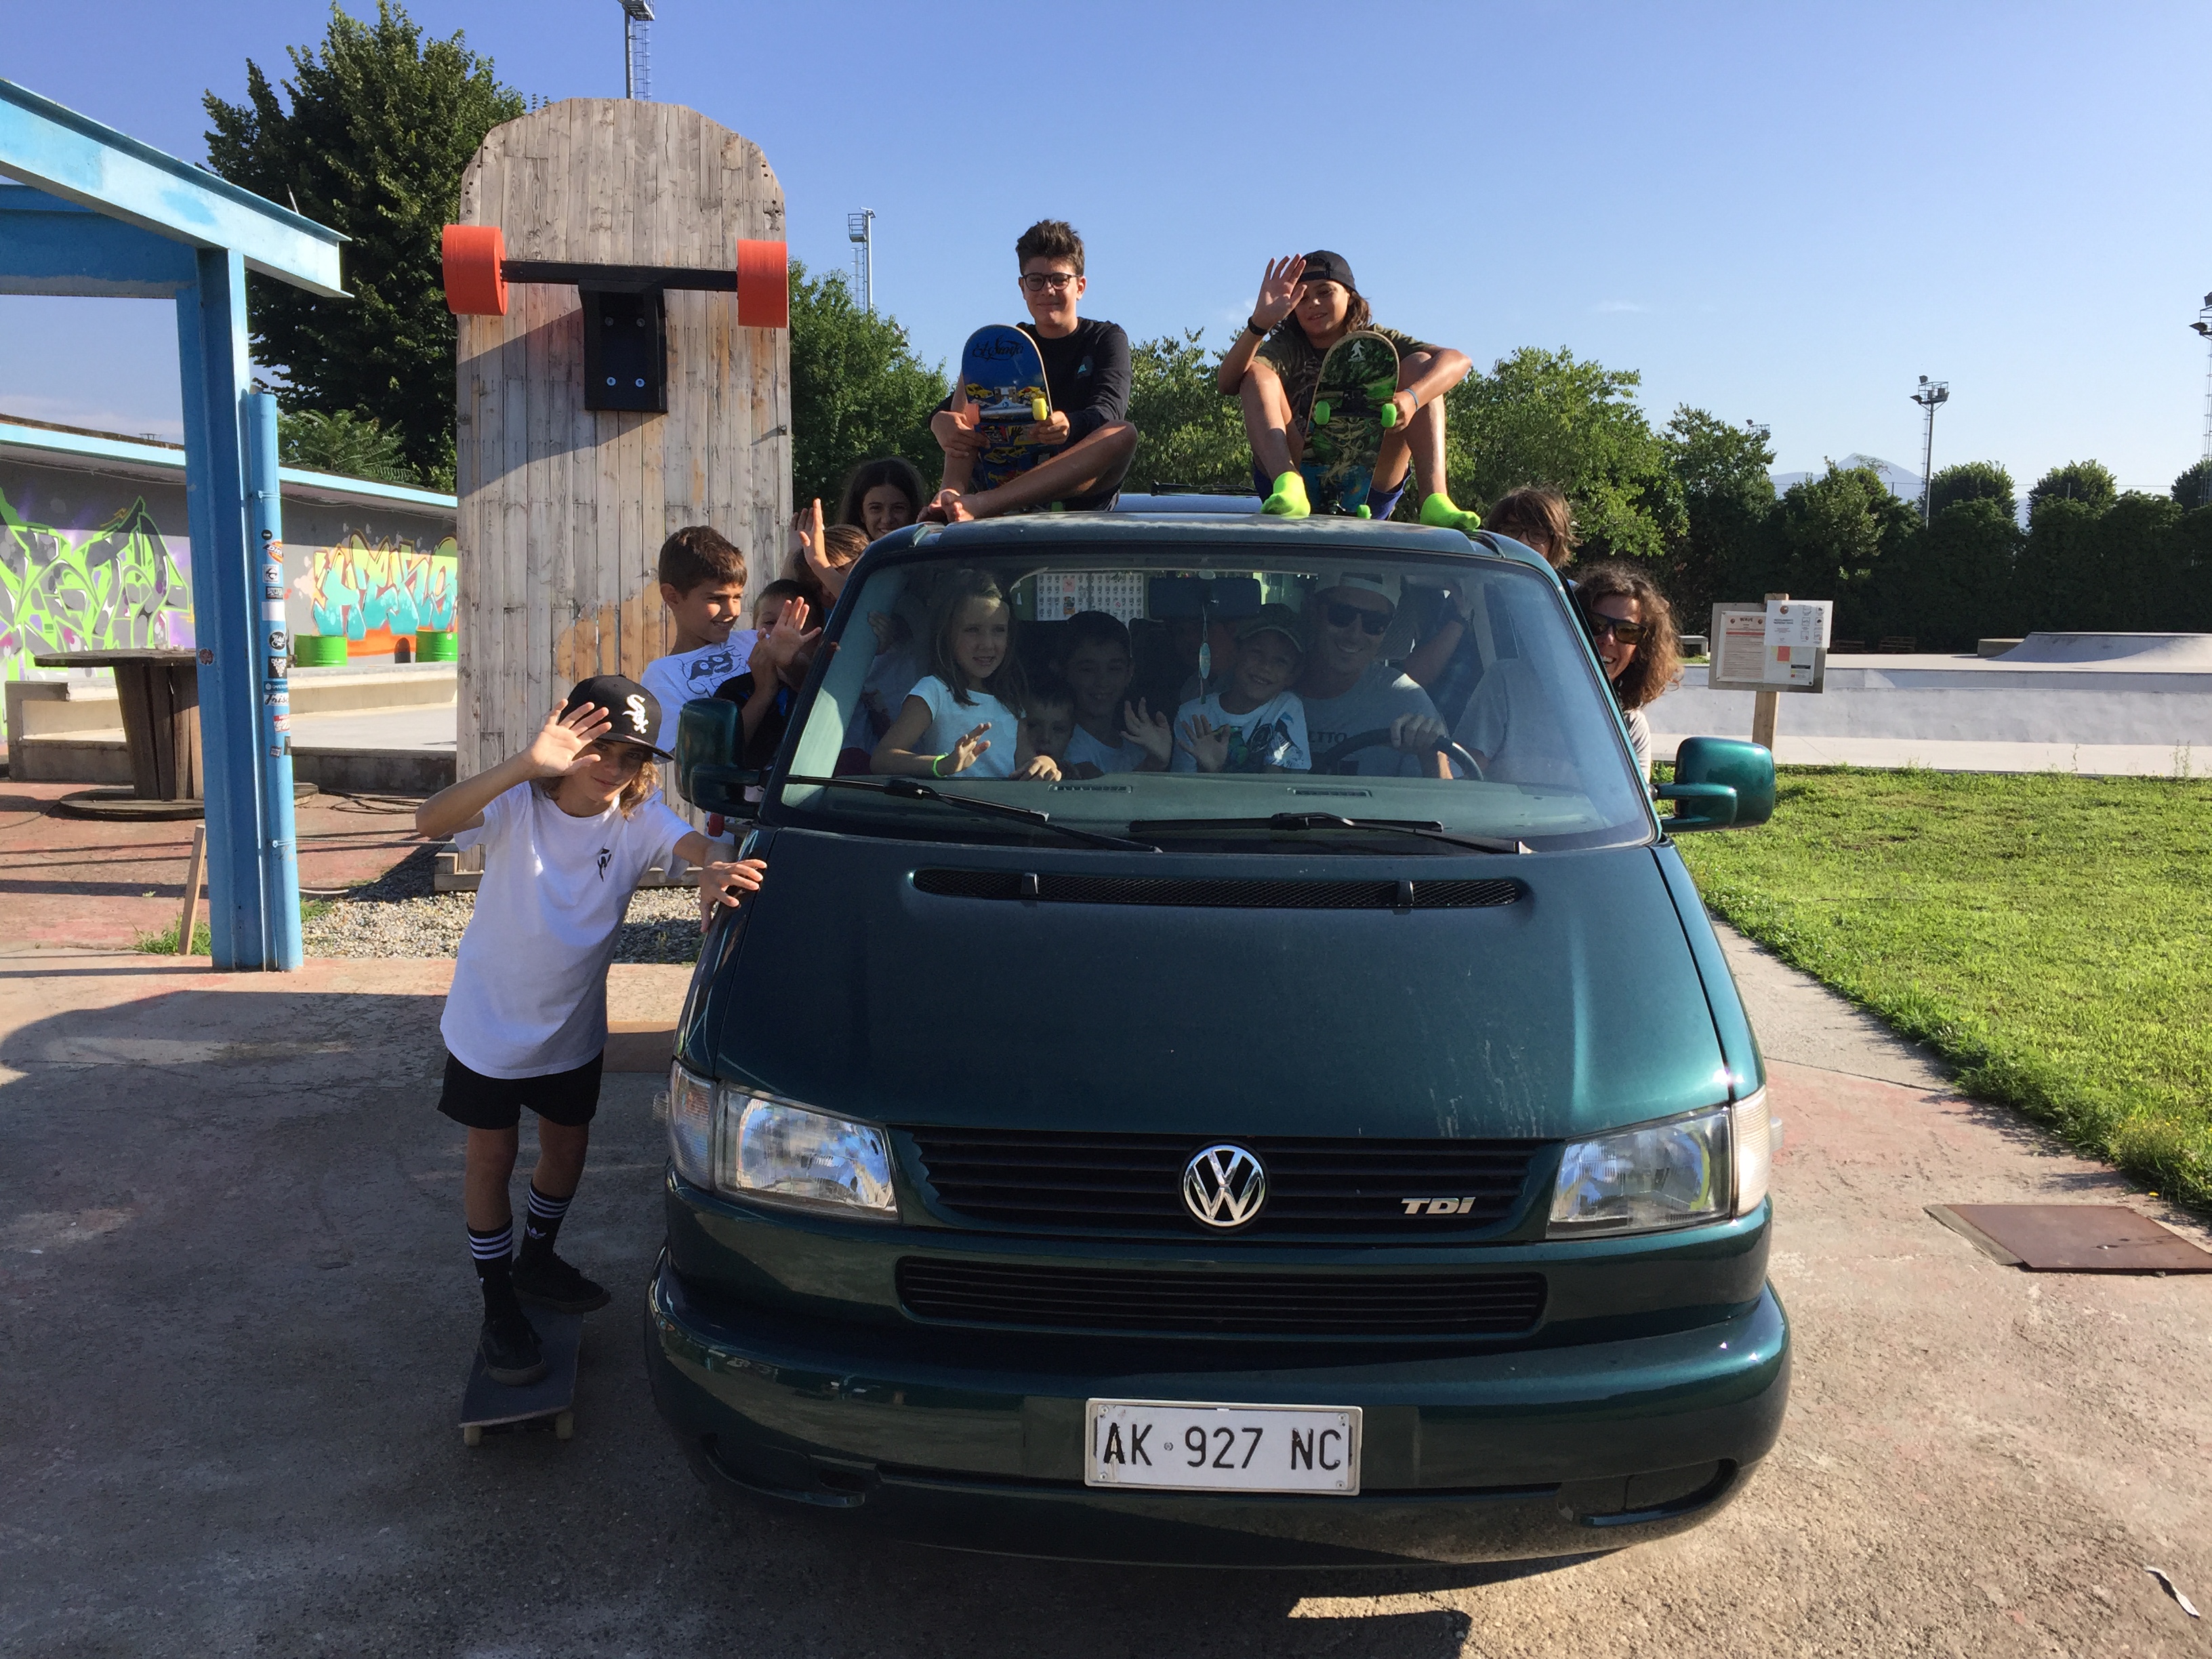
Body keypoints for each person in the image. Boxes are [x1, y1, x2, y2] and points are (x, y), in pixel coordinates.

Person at [415, 676, 764, 1387]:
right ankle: (497, 1303)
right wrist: (524, 762)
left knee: (567, 1145)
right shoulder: (518, 804)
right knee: (492, 1158)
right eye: (599, 746)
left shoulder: (637, 818)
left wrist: (714, 866)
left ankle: (537, 1256)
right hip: (489, 1023)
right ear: (567, 736)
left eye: (632, 756)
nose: (613, 766)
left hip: (571, 1028)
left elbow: (692, 843)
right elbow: (429, 821)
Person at [1214, 251, 1481, 530]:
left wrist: (1411, 399)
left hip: (1368, 479)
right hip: (1300, 474)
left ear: (1350, 296)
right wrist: (1260, 323)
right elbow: (1228, 383)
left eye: (1325, 292)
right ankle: (1287, 481)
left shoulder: (1377, 339)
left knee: (1423, 365)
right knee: (1256, 372)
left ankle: (1435, 500)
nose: (1312, 304)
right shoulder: (1287, 346)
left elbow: (1459, 360)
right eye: (1301, 298)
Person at [926, 220, 1138, 520]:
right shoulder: (1006, 343)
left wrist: (1070, 424)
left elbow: (1109, 411)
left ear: (1080, 287)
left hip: (1080, 490)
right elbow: (961, 413)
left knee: (1123, 433)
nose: (1047, 290)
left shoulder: (1106, 339)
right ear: (1022, 287)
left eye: (1059, 279)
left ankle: (987, 503)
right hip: (1003, 471)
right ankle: (950, 495)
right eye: (1036, 280)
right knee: (978, 362)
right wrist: (940, 422)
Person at [872, 568, 1059, 779]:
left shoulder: (1011, 698)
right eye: (972, 630)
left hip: (1006, 811)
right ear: (947, 634)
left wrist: (1044, 762)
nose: (987, 644)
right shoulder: (934, 691)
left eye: (998, 630)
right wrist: (941, 765)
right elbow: (883, 758)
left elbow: (1024, 761)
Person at [1294, 567, 1450, 775]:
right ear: (1313, 611)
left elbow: (1443, 804)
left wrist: (1431, 756)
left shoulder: (1406, 700)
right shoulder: (1262, 679)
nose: (1354, 634)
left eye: (1374, 623)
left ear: (1388, 629)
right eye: (1341, 615)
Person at [1138, 604, 1310, 774]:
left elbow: (1278, 787)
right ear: (1236, 652)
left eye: (1280, 661)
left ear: (1292, 675)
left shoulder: (1287, 707)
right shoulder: (1191, 715)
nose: (1265, 667)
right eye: (1256, 653)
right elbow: (1184, 793)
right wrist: (1207, 770)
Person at [640, 525, 752, 754]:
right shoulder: (663, 675)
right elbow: (701, 755)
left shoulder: (753, 641)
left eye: (737, 597)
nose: (732, 610)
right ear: (673, 597)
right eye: (716, 598)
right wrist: (764, 691)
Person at [1574, 559, 1681, 781]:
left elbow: (1631, 812)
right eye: (1596, 624)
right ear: (1570, 624)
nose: (1608, 639)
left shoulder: (1630, 726)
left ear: (1639, 651)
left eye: (1627, 631)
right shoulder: (1512, 689)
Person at [1058, 610, 1166, 776]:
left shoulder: (1138, 748)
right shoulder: (1060, 740)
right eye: (1088, 670)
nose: (1102, 682)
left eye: (1114, 669)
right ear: (1064, 671)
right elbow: (1100, 793)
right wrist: (1153, 763)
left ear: (1129, 672)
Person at [834, 456, 926, 541]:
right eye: (876, 508)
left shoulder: (929, 556)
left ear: (913, 511)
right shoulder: (840, 558)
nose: (887, 519)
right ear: (861, 513)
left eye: (898, 508)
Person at [1020, 676, 1079, 775]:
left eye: (1058, 729)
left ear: (1071, 734)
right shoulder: (1000, 768)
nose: (1045, 737)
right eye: (1033, 726)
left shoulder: (1074, 777)